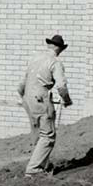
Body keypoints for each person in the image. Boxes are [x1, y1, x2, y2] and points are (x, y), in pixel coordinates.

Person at [17, 34, 73, 176]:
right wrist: (66, 100)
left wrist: (25, 98)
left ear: (49, 45)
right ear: (59, 48)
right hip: (41, 97)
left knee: (37, 132)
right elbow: (61, 87)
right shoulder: (55, 62)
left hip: (28, 98)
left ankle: (44, 164)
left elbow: (21, 85)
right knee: (48, 135)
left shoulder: (34, 59)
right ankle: (34, 169)